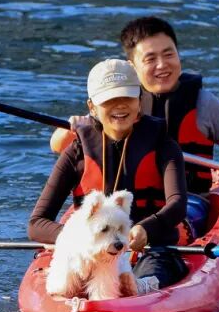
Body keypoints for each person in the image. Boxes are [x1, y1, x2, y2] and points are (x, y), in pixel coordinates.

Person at [51, 16, 219, 235]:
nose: (162, 65)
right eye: (150, 58)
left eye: (169, 54)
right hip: (128, 202)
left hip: (187, 202)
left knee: (170, 225)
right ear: (132, 67)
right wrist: (73, 126)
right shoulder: (122, 104)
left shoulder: (204, 102)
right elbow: (58, 145)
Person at [29, 59, 189, 289]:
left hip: (152, 248)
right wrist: (79, 239)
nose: (120, 106)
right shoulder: (77, 152)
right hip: (91, 252)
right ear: (92, 107)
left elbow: (178, 205)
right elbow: (36, 223)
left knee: (157, 268)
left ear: (140, 101)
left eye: (127, 97)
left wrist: (146, 228)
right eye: (109, 100)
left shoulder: (164, 144)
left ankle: (139, 287)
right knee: (78, 268)